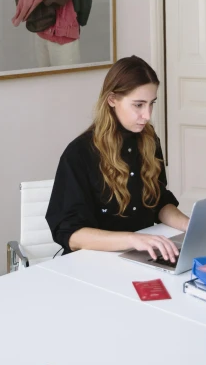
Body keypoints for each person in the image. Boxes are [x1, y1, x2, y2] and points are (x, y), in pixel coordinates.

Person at [46, 56, 190, 262]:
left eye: (151, 104)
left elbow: (160, 202)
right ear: (112, 99)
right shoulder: (79, 153)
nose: (147, 115)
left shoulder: (149, 141)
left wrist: (191, 225)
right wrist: (133, 240)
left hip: (142, 255)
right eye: (138, 105)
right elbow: (71, 234)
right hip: (93, 263)